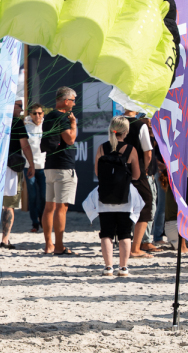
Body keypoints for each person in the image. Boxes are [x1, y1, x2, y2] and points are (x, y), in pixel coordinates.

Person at [86, 116, 143, 277]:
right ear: (126, 132)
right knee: (125, 233)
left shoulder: (102, 148)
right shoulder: (130, 149)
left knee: (106, 232)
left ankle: (108, 267)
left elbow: (97, 172)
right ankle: (123, 268)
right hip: (125, 196)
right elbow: (137, 175)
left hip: (104, 196)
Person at [0, 100, 35, 248]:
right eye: (19, 106)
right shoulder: (17, 123)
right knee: (9, 205)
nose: (22, 109)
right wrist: (31, 164)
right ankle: (5, 240)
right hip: (12, 166)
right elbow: (24, 146)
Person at [41, 87, 78, 255]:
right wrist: (73, 124)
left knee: (49, 207)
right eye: (73, 100)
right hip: (63, 166)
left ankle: (48, 244)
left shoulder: (49, 116)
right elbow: (70, 139)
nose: (74, 104)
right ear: (66, 101)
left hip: (50, 165)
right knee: (61, 208)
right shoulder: (62, 117)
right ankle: (59, 246)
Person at [122, 109, 157, 258]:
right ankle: (135, 248)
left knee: (123, 208)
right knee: (146, 206)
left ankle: (125, 246)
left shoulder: (116, 123)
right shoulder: (139, 125)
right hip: (137, 172)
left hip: (119, 170)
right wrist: (145, 168)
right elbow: (148, 152)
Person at [24, 103, 46, 233]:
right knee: (32, 195)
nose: (37, 116)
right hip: (28, 166)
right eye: (34, 113)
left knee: (43, 195)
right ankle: (35, 222)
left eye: (40, 113)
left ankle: (42, 218)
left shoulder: (46, 125)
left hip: (43, 166)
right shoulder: (25, 127)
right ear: (30, 115)